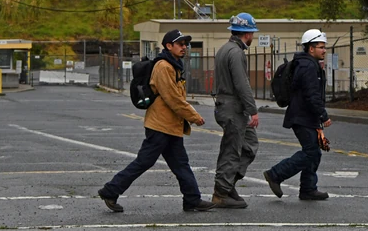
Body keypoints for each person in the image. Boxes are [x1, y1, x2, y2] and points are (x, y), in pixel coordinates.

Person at [98, 29, 215, 213]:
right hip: (160, 126)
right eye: (180, 44)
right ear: (169, 46)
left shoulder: (173, 64)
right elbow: (173, 98)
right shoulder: (164, 66)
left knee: (181, 164)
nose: (184, 47)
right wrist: (193, 116)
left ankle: (192, 199)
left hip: (170, 126)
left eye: (185, 44)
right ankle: (110, 190)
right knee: (144, 161)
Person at [263, 28, 332, 201]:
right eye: (321, 47)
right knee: (310, 152)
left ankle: (308, 189)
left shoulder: (307, 64)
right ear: (311, 48)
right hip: (302, 117)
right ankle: (275, 174)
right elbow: (311, 95)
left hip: (306, 117)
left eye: (324, 47)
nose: (324, 50)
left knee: (314, 152)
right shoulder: (308, 66)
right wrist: (323, 115)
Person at [210, 13, 260, 208]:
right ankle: (222, 192)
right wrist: (252, 109)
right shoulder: (236, 53)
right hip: (233, 108)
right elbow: (242, 84)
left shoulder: (224, 49)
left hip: (225, 105)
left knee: (249, 144)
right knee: (232, 150)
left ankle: (227, 184)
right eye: (252, 33)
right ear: (247, 34)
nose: (252, 37)